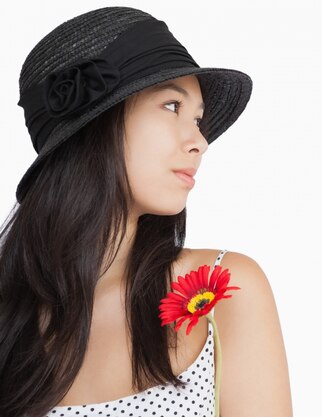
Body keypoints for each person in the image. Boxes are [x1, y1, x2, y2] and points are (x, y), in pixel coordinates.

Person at [0, 6, 292, 417]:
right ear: (97, 123)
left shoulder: (223, 290)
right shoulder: (11, 320)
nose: (199, 142)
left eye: (198, 119)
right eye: (173, 106)